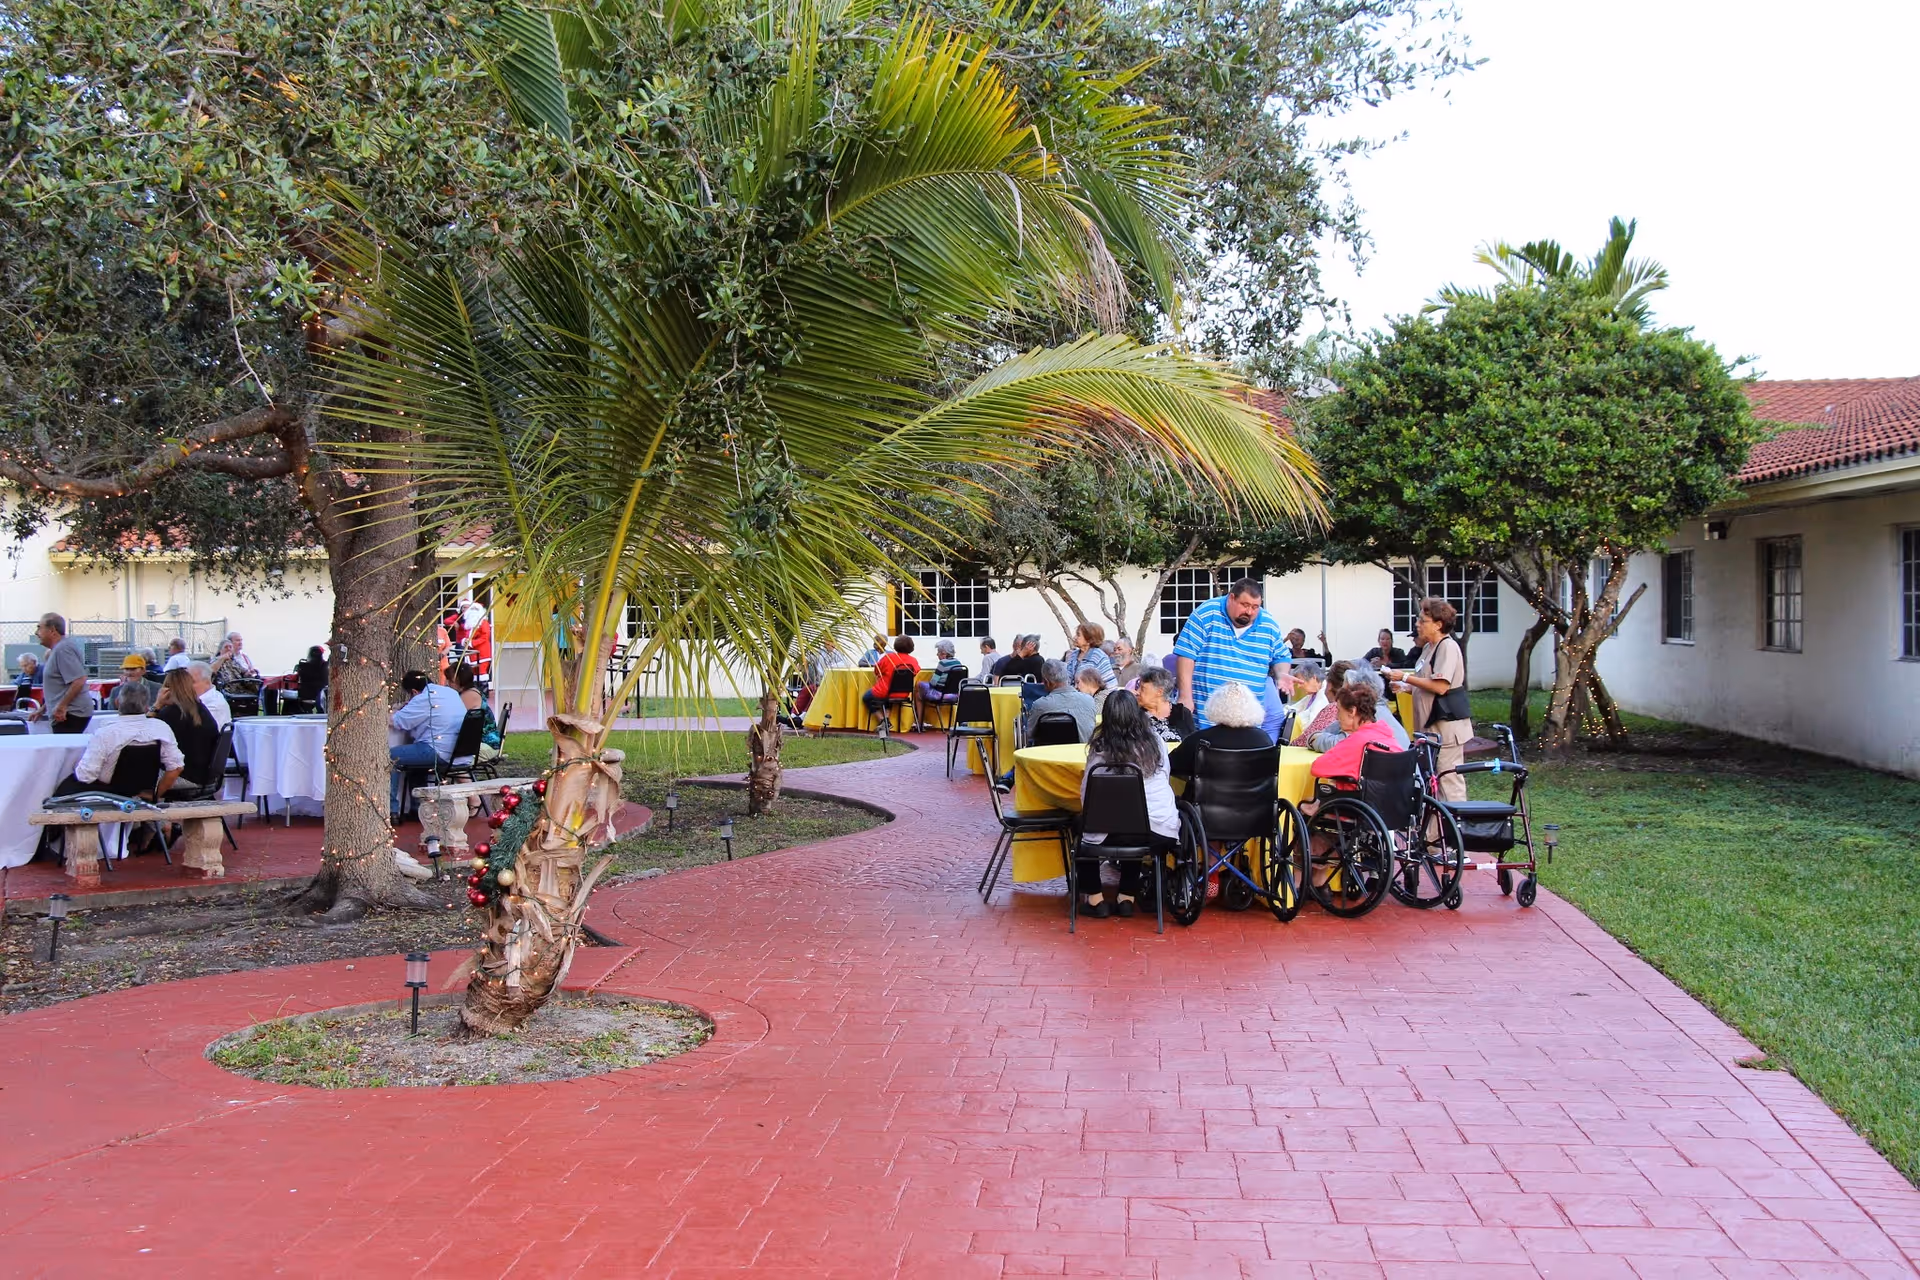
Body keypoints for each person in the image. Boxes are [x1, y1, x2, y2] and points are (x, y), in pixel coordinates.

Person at [1075, 690, 1178, 919]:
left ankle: (1095, 899)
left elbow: (1087, 793)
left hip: (1111, 829)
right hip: (1158, 829)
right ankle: (1126, 897)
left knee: (1082, 828)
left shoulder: (1100, 748)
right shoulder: (1156, 742)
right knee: (1137, 823)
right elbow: (1165, 778)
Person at [1381, 598, 1472, 802]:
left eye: (1423, 621)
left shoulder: (1447, 647)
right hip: (1429, 730)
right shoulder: (1428, 648)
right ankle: (1432, 833)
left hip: (1446, 728)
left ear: (1438, 624)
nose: (1417, 624)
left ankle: (1455, 830)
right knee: (1432, 783)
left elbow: (1441, 686)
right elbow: (1425, 682)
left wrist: (1404, 677)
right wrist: (1406, 687)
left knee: (1448, 781)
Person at [1171, 580, 1291, 729]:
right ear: (1231, 598)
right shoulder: (1207, 613)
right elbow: (1186, 655)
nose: (1249, 612)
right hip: (1204, 716)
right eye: (1245, 605)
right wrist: (1185, 696)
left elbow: (1281, 656)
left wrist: (1282, 673)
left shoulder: (1268, 624)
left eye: (1255, 607)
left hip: (1247, 722)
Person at [52, 680, 183, 799]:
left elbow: (86, 776)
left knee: (61, 789)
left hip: (105, 793)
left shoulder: (106, 732)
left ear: (117, 703)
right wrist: (155, 795)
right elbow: (176, 767)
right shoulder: (161, 728)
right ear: (146, 706)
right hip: (141, 791)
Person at [389, 669, 466, 815]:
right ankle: (416, 809)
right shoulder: (450, 693)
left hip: (438, 751)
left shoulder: (425, 698)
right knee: (415, 757)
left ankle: (391, 809)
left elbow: (399, 722)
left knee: (390, 756)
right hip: (457, 751)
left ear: (414, 691)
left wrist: (392, 712)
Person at [1308, 679, 1403, 789]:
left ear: (1352, 711)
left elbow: (1318, 768)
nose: (1336, 717)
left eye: (1339, 710)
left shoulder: (1357, 741)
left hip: (1356, 800)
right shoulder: (1386, 735)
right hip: (1390, 801)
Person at [1169, 680, 1273, 779]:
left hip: (1206, 797)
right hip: (1256, 797)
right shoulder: (1264, 739)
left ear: (1215, 706)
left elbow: (1172, 765)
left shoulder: (1199, 739)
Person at [153, 668, 220, 793]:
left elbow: (143, 733)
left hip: (184, 776)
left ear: (167, 689)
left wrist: (157, 705)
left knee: (133, 776)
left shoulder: (170, 714)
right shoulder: (202, 710)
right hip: (204, 776)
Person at [29, 613, 94, 734]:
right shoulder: (57, 650)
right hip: (66, 713)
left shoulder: (63, 649)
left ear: (52, 630)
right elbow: (60, 687)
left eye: (39, 627)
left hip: (71, 713)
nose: (36, 632)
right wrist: (43, 709)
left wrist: (62, 707)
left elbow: (79, 679)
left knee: (66, 752)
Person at [1022, 658, 1097, 743]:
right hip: (1081, 753)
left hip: (1047, 754)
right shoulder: (1089, 700)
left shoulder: (1040, 705)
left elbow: (1029, 734)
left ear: (1047, 682)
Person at [451, 663, 503, 764]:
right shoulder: (470, 692)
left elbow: (452, 718)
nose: (447, 683)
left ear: (458, 680)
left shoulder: (469, 695)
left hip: (485, 745)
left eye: (450, 680)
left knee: (449, 758)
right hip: (480, 743)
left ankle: (465, 779)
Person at [860, 635, 919, 720]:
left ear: (895, 646)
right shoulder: (913, 661)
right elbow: (915, 672)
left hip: (884, 691)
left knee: (866, 698)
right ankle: (886, 719)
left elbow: (877, 671)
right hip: (903, 693)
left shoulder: (888, 658)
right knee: (888, 698)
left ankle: (882, 719)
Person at [1296, 660, 1352, 747]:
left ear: (1329, 685)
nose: (1298, 686)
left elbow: (1304, 740)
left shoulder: (1332, 708)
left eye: (1301, 681)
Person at [1134, 667, 1195, 743]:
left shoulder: (1182, 714)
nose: (1137, 691)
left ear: (1159, 692)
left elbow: (1192, 743)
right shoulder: (1135, 714)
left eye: (1142, 688)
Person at [1061, 622, 1118, 690]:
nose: (1074, 637)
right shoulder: (1073, 655)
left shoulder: (1099, 657)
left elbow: (1111, 686)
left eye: (1078, 635)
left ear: (1089, 640)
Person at [188, 661, 233, 730]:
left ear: (207, 682)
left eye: (192, 682)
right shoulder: (213, 696)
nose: (187, 686)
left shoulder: (213, 704)